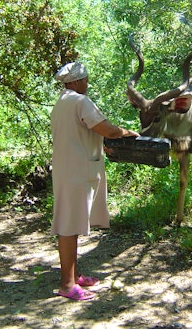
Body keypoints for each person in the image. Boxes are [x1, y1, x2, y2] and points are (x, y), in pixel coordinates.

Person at [51, 61, 139, 301]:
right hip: (75, 172)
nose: (87, 83)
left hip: (67, 169)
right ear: (77, 81)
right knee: (69, 226)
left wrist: (100, 144)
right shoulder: (79, 101)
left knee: (72, 223)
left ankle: (74, 275)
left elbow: (80, 133)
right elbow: (107, 129)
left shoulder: (62, 102)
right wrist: (126, 132)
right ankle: (67, 285)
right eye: (86, 79)